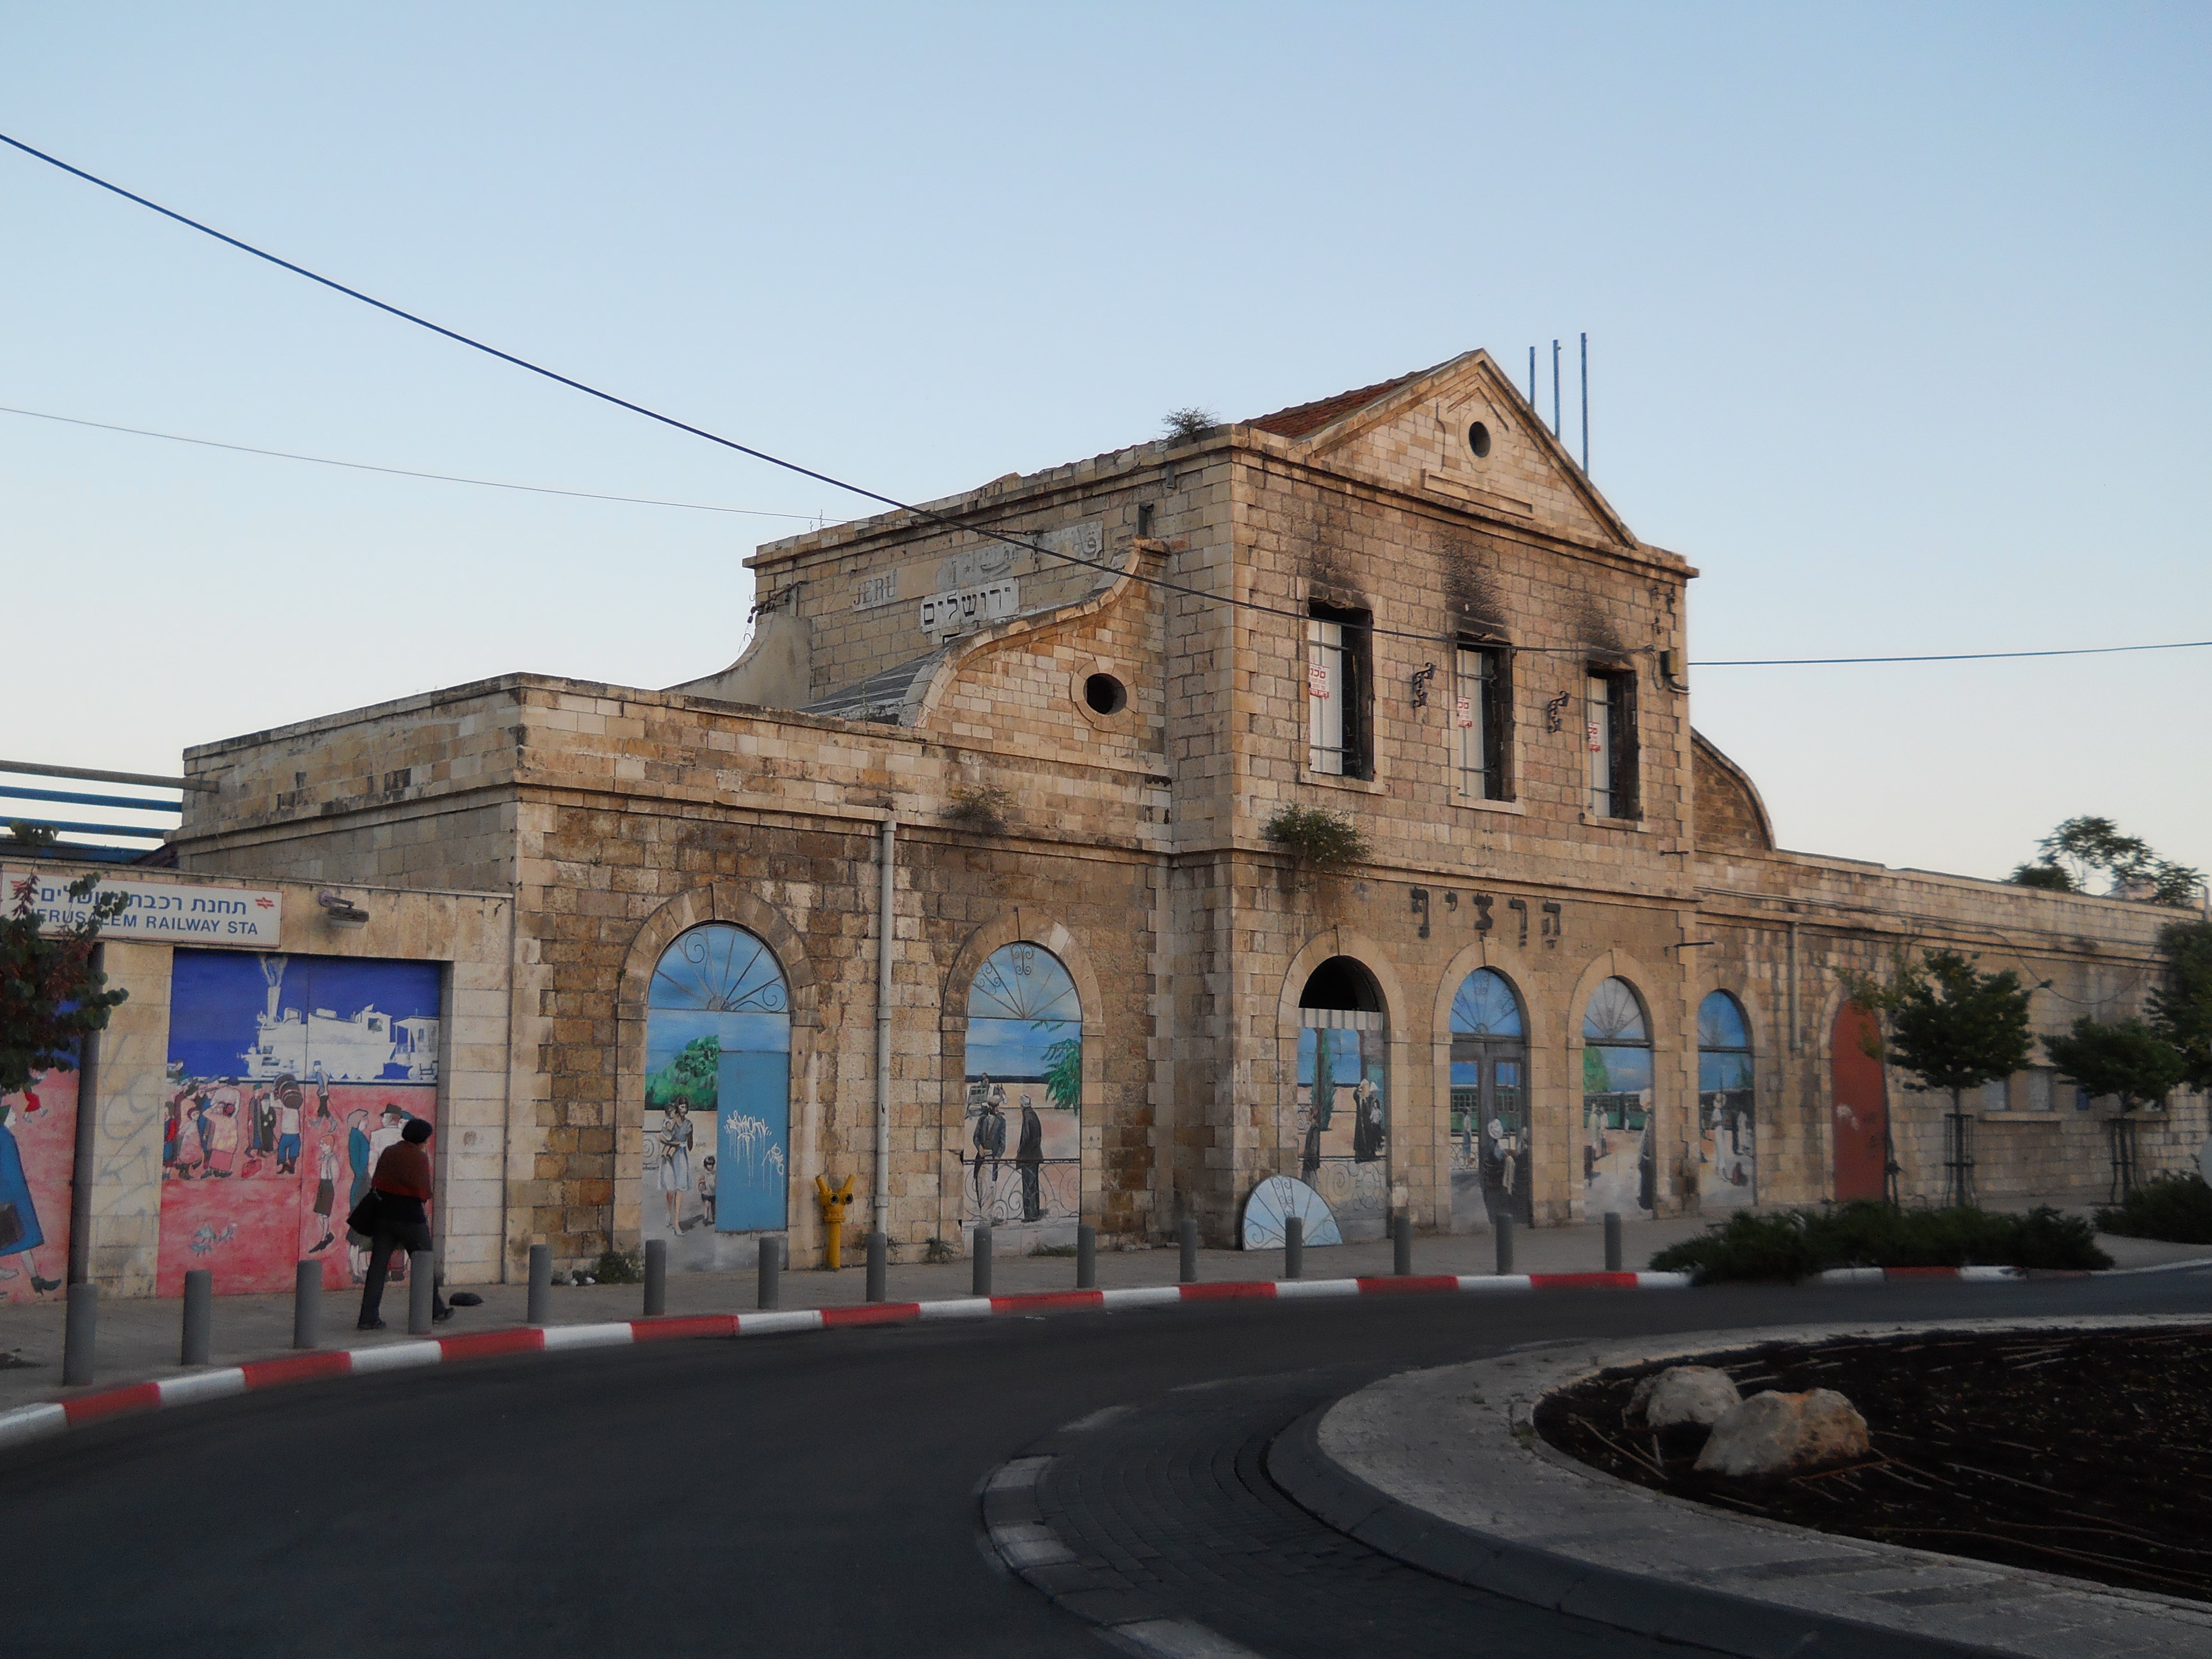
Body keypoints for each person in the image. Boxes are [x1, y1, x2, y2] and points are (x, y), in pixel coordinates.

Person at [355, 1119, 450, 1330]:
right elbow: (423, 1191)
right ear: (421, 1138)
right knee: (424, 1262)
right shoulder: (418, 1157)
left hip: (384, 1216)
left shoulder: (389, 1152)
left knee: (377, 1267)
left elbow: (376, 1180)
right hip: (410, 1218)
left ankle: (368, 1317)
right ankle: (436, 1310)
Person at [658, 1100, 694, 1234]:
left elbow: (690, 1146)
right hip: (670, 1156)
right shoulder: (671, 1121)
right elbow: (661, 1137)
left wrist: (690, 1135)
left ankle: (676, 1223)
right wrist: (673, 1143)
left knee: (680, 1188)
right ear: (678, 1108)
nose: (685, 1109)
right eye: (682, 1107)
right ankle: (669, 1212)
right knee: (671, 1189)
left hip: (682, 1156)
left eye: (686, 1107)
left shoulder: (689, 1124)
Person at [1015, 1093, 1044, 1223]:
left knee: (1028, 1186)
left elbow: (1026, 1138)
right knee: (1034, 1185)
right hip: (1035, 1155)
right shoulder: (1034, 1115)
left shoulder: (1027, 1116)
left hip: (1028, 1157)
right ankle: (1035, 1212)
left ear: (1022, 1105)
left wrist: (1020, 1152)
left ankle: (1030, 1215)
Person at [698, 1154, 717, 1227]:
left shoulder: (715, 1173)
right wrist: (702, 1183)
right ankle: (706, 1218)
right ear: (706, 1165)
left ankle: (714, 1217)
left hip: (713, 1192)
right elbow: (700, 1181)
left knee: (713, 1206)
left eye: (712, 1165)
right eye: (709, 1165)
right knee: (707, 1205)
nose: (711, 1166)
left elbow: (716, 1181)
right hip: (706, 1192)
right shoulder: (704, 1173)